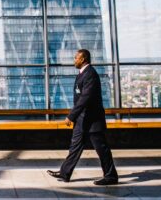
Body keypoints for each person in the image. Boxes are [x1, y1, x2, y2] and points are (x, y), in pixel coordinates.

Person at [47, 49, 118, 185]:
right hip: (82, 120)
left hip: (92, 120)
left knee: (101, 149)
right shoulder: (82, 74)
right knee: (75, 146)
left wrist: (71, 116)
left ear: (83, 59)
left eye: (76, 58)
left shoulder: (90, 74)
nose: (74, 60)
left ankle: (111, 176)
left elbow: (85, 98)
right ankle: (65, 173)